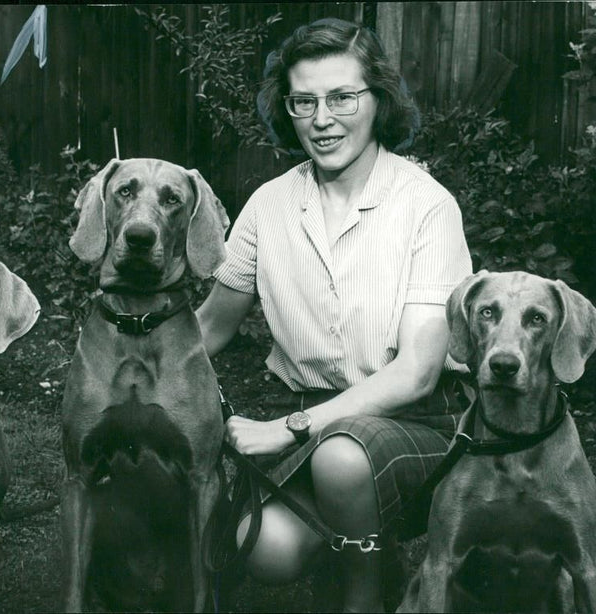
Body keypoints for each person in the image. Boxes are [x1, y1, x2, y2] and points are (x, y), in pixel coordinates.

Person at [195, 17, 474, 613]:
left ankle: (364, 597)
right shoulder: (268, 205)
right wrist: (126, 346)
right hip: (316, 428)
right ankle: (368, 545)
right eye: (304, 101)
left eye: (342, 97)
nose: (322, 119)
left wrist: (288, 429)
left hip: (419, 423)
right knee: (263, 549)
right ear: (287, 109)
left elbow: (418, 374)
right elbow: (210, 328)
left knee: (342, 456)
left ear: (379, 101)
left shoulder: (427, 206)